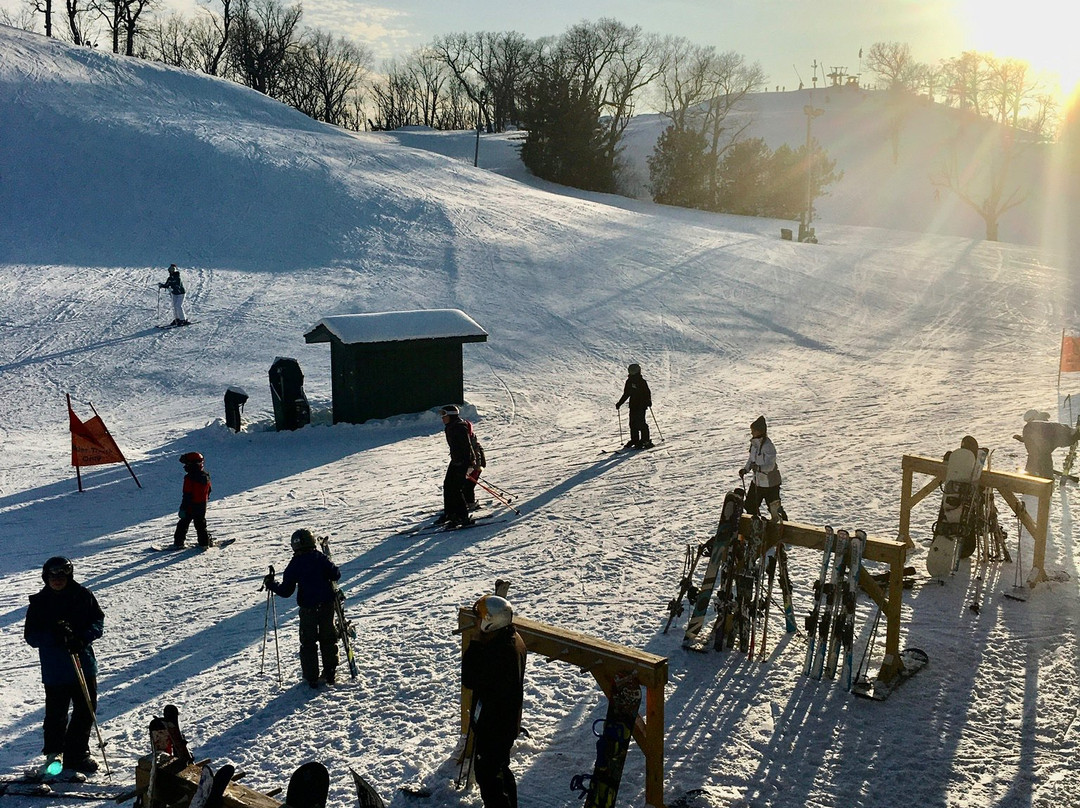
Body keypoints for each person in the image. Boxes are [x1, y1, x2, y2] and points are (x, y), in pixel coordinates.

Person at [24, 556, 105, 777]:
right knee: (56, 713)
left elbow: (98, 621)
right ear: (46, 577)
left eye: (62, 576)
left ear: (69, 576)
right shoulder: (40, 603)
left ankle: (77, 753)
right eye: (53, 576)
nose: (57, 580)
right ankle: (54, 753)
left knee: (85, 709)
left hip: (83, 663)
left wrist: (82, 638)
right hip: (56, 668)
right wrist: (54, 636)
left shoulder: (82, 596)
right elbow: (31, 636)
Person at [462, 594, 527, 808]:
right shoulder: (511, 638)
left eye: (480, 619)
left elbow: (470, 678)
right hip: (504, 722)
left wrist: (475, 644)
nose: (477, 622)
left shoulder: (498, 652)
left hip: (495, 726)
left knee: (489, 778)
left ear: (492, 622)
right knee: (500, 770)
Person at [263, 529, 341, 688]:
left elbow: (286, 591)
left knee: (308, 642)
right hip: (327, 605)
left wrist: (271, 584)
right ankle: (330, 671)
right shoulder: (320, 558)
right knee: (328, 638)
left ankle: (311, 677)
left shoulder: (295, 564)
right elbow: (336, 575)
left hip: (308, 609)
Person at [438, 405, 478, 527]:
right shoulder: (451, 426)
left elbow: (467, 447)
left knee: (456, 489)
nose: (442, 418)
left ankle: (462, 517)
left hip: (463, 462)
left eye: (444, 415)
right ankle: (450, 513)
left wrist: (470, 463)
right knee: (448, 486)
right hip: (456, 460)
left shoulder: (459, 427)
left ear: (451, 415)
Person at [739, 415, 785, 522]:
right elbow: (751, 459)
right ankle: (756, 526)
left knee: (774, 509)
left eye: (753, 431)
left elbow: (770, 465)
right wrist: (746, 469)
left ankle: (784, 525)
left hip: (770, 484)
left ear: (760, 431)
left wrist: (759, 468)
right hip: (757, 482)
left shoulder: (768, 446)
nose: (751, 433)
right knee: (750, 506)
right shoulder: (754, 444)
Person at [1014, 410, 1079, 479]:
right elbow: (1034, 438)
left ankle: (1042, 476)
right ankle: (1038, 472)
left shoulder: (1042, 424)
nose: (1028, 422)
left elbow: (1044, 436)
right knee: (1037, 456)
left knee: (1040, 456)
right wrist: (1022, 439)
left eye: (1029, 420)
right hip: (1051, 442)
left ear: (1034, 417)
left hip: (1053, 441)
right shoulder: (1035, 426)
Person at [173, 451, 212, 548]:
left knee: (183, 524)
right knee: (200, 524)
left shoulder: (189, 478)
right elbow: (209, 490)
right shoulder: (205, 476)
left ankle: (179, 543)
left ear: (192, 464)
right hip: (201, 505)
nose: (185, 467)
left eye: (187, 464)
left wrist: (183, 508)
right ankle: (204, 543)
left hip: (190, 505)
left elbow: (187, 494)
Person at [615, 363, 653, 449]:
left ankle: (645, 440)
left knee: (641, 423)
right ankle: (635, 440)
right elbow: (626, 394)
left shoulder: (641, 381)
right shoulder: (629, 381)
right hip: (633, 405)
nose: (632, 372)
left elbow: (647, 392)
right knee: (632, 424)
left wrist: (648, 401)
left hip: (641, 405)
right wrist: (619, 403)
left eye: (633, 371)